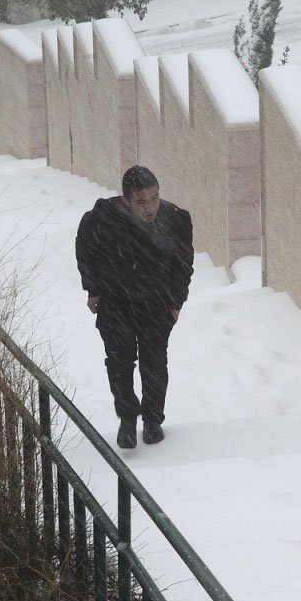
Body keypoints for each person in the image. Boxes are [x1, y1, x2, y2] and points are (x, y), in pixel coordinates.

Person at [75, 165, 194, 449]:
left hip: (156, 302)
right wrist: (93, 290)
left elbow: (183, 265)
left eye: (153, 198)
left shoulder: (175, 219)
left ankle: (153, 421)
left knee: (154, 362)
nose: (150, 207)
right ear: (126, 200)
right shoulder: (102, 219)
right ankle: (128, 419)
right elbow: (85, 251)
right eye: (141, 201)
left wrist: (176, 302)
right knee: (119, 361)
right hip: (115, 301)